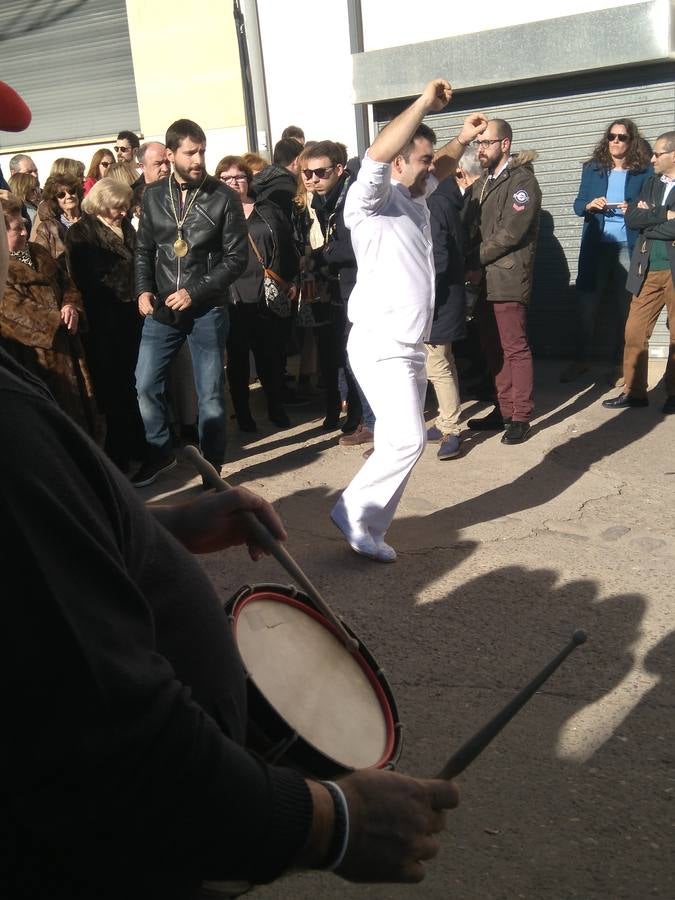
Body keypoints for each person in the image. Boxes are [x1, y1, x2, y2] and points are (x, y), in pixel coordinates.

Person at [330, 79, 487, 562]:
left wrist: (461, 138)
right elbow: (377, 154)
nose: (432, 167)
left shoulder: (418, 194)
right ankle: (353, 513)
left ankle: (368, 525)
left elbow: (441, 164)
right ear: (398, 163)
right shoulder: (372, 199)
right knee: (408, 440)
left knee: (399, 443)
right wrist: (423, 103)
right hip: (381, 342)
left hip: (410, 344)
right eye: (422, 159)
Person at [133, 118, 249, 487]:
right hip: (163, 308)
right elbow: (143, 250)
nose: (198, 159)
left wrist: (194, 292)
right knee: (145, 384)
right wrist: (142, 289)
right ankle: (161, 451)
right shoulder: (153, 195)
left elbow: (237, 258)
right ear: (170, 155)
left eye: (202, 151)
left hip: (207, 309)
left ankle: (212, 468)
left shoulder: (223, 197)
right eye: (190, 153)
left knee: (210, 394)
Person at [465, 118, 542, 445]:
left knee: (514, 347)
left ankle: (520, 416)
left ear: (505, 144)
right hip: (484, 279)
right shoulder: (483, 182)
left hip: (508, 276)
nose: (480, 149)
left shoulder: (522, 182)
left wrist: (472, 258)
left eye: (486, 143)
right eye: (478, 143)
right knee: (492, 347)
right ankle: (504, 408)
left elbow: (511, 233)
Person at [0, 194, 99, 438]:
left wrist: (71, 306)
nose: (25, 232)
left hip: (69, 351)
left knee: (81, 421)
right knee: (49, 429)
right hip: (33, 361)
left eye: (24, 225)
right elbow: (11, 311)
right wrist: (57, 321)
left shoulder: (38, 252)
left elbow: (67, 284)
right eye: (16, 229)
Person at [561, 119, 652, 384]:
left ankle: (620, 365)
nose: (615, 141)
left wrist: (632, 208)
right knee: (586, 306)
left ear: (631, 141)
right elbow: (577, 205)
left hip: (628, 246)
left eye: (622, 137)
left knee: (625, 308)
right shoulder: (593, 169)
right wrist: (589, 205)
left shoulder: (643, 172)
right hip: (596, 247)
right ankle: (581, 360)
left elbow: (651, 207)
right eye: (611, 136)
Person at [65, 178, 147, 472]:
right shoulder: (80, 233)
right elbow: (86, 279)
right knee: (113, 388)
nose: (123, 212)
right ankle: (119, 451)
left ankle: (139, 442)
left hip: (132, 318)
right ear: (101, 204)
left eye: (125, 206)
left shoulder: (125, 227)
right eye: (117, 207)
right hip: (104, 323)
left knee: (134, 383)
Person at [215, 154, 299, 432]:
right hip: (232, 295)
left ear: (248, 180)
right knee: (237, 360)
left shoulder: (267, 208)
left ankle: (276, 408)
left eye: (239, 177)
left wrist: (290, 278)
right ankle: (243, 414)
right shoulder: (212, 212)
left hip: (266, 290)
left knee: (270, 357)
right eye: (226, 178)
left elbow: (287, 244)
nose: (233, 182)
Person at [602, 130, 675, 414]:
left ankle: (673, 394)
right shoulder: (651, 183)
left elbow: (646, 221)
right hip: (647, 269)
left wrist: (649, 219)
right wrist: (663, 215)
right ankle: (634, 392)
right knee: (634, 331)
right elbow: (633, 219)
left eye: (657, 154)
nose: (652, 159)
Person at [425, 169, 468, 460]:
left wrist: (422, 295)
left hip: (439, 302)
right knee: (445, 362)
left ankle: (451, 429)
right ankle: (444, 421)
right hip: (446, 299)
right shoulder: (447, 202)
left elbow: (437, 259)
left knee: (437, 365)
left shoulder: (435, 205)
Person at [31, 172, 83, 259]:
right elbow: (40, 258)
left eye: (71, 191)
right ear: (55, 200)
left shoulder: (92, 219)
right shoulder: (47, 228)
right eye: (61, 195)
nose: (68, 196)